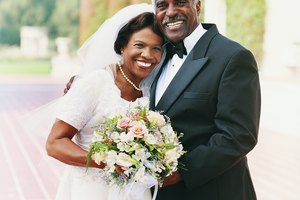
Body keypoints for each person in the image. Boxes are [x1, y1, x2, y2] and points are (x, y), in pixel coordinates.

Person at [46, 4, 164, 200]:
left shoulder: (155, 89)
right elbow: (54, 143)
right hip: (90, 191)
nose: (148, 55)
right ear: (123, 46)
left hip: (135, 193)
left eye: (156, 48)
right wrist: (108, 160)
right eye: (139, 45)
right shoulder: (96, 82)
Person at [149, 0, 261, 200]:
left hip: (213, 191)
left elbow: (238, 135)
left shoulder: (234, 57)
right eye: (162, 5)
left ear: (197, 5)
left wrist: (180, 173)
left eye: (180, 2)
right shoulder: (157, 54)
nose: (171, 12)